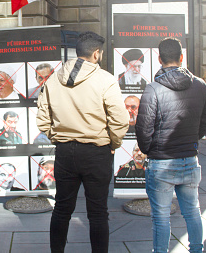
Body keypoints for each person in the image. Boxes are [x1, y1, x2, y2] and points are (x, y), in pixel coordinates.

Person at [37, 31, 129, 253]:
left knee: (61, 209)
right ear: (96, 54)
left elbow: (42, 119)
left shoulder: (53, 80)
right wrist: (113, 144)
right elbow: (120, 120)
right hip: (97, 152)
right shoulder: (106, 79)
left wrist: (59, 138)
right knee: (98, 213)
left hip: (65, 152)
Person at [135, 37, 206, 253]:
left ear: (159, 59)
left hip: (161, 162)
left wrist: (150, 149)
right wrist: (191, 138)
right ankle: (196, 250)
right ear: (182, 57)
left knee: (160, 217)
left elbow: (143, 129)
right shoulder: (200, 85)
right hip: (189, 158)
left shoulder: (153, 88)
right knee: (193, 211)